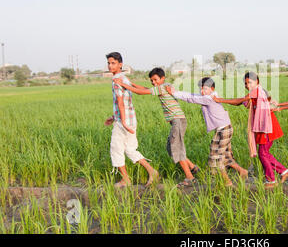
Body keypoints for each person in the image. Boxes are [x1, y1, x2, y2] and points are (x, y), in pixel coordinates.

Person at [113, 67, 199, 188]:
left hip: (178, 121)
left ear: (162, 78)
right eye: (152, 81)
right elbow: (146, 89)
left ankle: (190, 178)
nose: (153, 82)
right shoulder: (163, 86)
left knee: (177, 148)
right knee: (170, 148)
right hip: (177, 122)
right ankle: (192, 166)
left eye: (155, 80)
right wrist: (131, 83)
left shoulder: (163, 87)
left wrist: (123, 84)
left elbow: (141, 92)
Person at [213, 72, 288, 189]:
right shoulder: (256, 93)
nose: (247, 85)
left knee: (263, 153)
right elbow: (241, 103)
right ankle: (284, 172)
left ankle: (271, 179)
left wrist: (220, 100)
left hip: (266, 127)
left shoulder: (257, 91)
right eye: (245, 83)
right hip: (262, 126)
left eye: (250, 82)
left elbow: (239, 101)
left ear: (257, 82)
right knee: (264, 153)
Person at [165, 77, 248, 187]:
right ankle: (242, 171)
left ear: (212, 89)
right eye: (201, 89)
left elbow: (191, 98)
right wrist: (175, 92)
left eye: (205, 89)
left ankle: (227, 182)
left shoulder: (209, 98)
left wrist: (174, 93)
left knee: (215, 156)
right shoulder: (209, 96)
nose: (202, 91)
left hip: (224, 130)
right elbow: (193, 95)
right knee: (225, 156)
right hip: (224, 129)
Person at [103, 52, 158, 188]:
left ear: (120, 64)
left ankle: (126, 179)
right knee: (130, 149)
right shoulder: (124, 78)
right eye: (109, 63)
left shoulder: (117, 81)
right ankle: (152, 171)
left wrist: (123, 122)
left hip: (124, 122)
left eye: (113, 63)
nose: (110, 66)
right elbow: (131, 94)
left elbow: (121, 103)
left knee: (116, 148)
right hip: (129, 119)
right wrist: (113, 117)